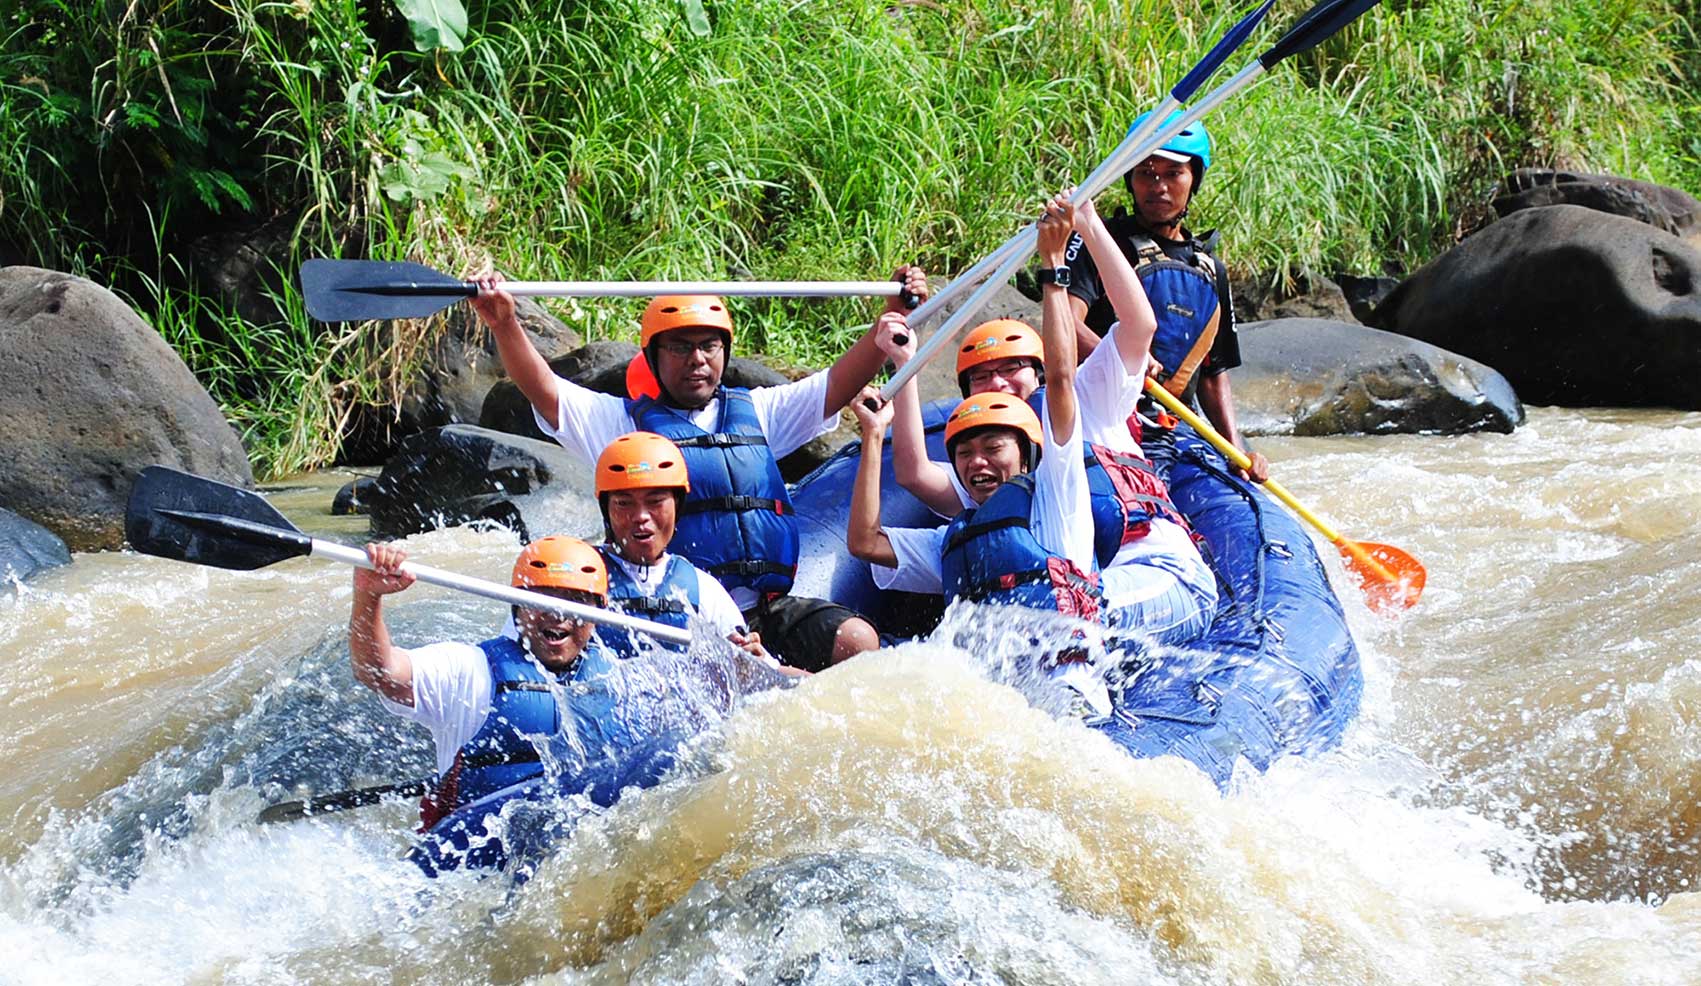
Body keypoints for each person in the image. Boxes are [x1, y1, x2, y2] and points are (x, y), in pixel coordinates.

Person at [470, 269, 928, 671]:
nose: (697, 360)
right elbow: (544, 389)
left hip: (768, 608)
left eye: (709, 346)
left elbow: (837, 383)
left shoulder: (761, 411)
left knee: (857, 641)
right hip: (682, 609)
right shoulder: (618, 423)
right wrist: (504, 322)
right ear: (653, 358)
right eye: (680, 348)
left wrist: (888, 319)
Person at [882, 194, 1217, 645]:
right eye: (981, 377)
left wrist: (1089, 226)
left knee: (1068, 608)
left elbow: (1139, 325)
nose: (997, 384)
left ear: (1038, 371)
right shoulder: (995, 462)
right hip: (1067, 592)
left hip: (1150, 564)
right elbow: (914, 473)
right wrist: (905, 363)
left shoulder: (1086, 393)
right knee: (1048, 609)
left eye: (1009, 369)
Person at [349, 536, 648, 834]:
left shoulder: (622, 683)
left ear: (598, 611)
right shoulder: (471, 670)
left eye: (576, 601)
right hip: (481, 852)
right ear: (518, 606)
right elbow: (378, 671)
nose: (558, 614)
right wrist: (368, 596)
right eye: (543, 598)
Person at [1060, 111, 1270, 483]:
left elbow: (1212, 374)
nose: (1158, 186)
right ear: (1130, 179)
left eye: (1173, 174)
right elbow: (1065, 321)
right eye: (1146, 173)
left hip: (1171, 428)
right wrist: (1125, 364)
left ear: (1194, 180)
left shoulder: (1209, 270)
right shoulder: (1099, 240)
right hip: (1100, 412)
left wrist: (1235, 448)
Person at [591, 429, 802, 676]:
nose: (641, 517)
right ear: (607, 510)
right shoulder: (581, 574)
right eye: (624, 503)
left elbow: (766, 675)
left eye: (656, 501)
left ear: (677, 505)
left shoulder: (704, 590)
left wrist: (755, 661)